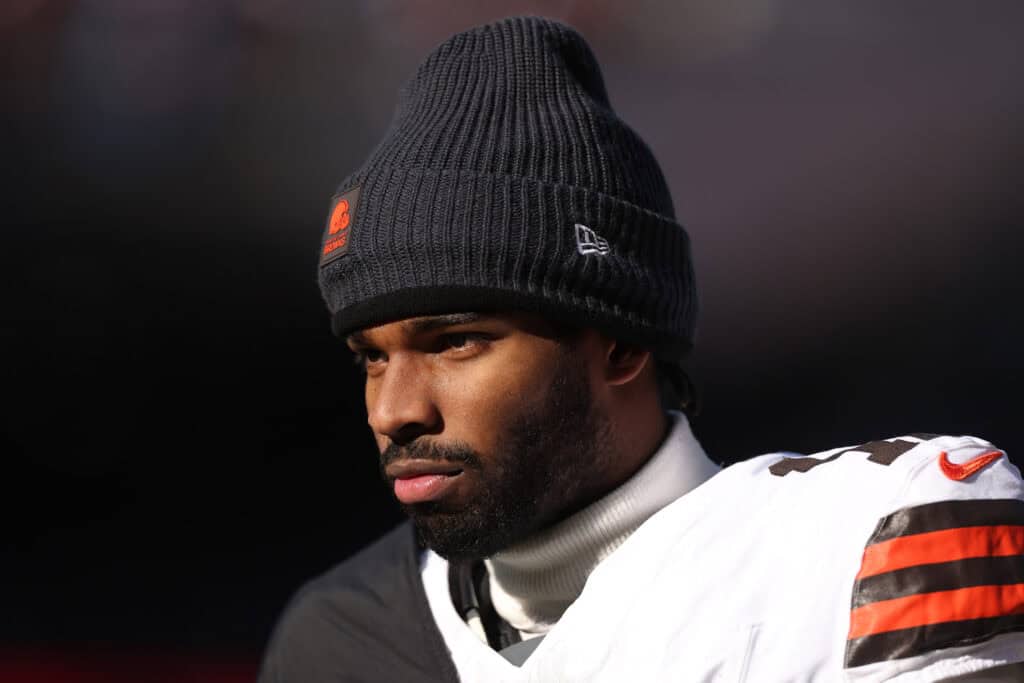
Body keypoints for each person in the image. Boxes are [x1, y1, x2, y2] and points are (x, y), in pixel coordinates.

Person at [258, 16, 1024, 682]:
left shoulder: (865, 545)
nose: (395, 411)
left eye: (456, 342)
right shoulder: (337, 637)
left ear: (621, 342)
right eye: (372, 356)